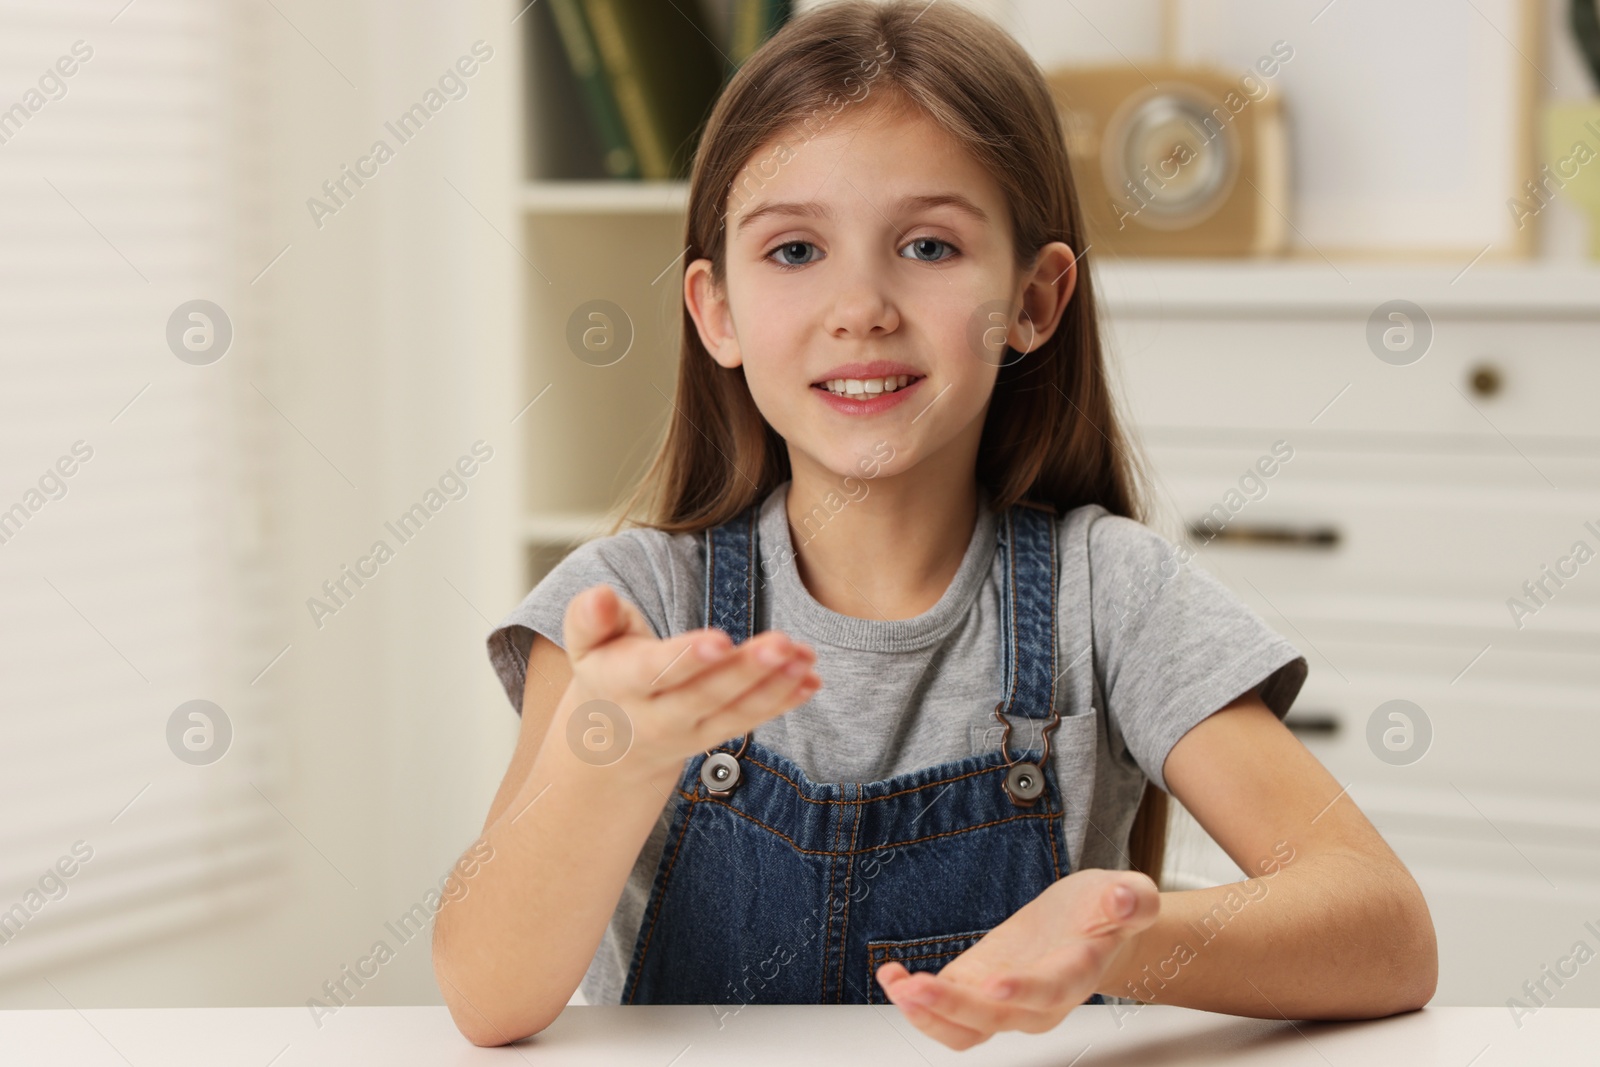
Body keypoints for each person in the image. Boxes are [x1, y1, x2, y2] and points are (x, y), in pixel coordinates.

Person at [433, 0, 1437, 1050]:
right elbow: (487, 993)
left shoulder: (1115, 595)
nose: (860, 303)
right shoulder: (633, 605)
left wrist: (1120, 938)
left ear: (1036, 299)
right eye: (792, 251)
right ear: (715, 308)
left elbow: (1386, 928)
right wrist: (609, 756)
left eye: (926, 243)